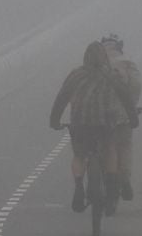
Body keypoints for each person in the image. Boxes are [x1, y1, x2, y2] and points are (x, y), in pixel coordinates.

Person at [49, 41, 137, 214]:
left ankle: (79, 187)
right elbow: (126, 97)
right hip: (106, 124)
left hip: (80, 123)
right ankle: (112, 190)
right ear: (104, 58)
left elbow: (62, 98)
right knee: (110, 149)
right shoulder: (112, 75)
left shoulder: (76, 75)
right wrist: (133, 119)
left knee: (79, 155)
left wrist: (54, 121)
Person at [100, 32, 142, 201]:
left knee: (103, 146)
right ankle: (124, 179)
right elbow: (137, 84)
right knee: (124, 145)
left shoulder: (94, 63)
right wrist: (132, 104)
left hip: (98, 115)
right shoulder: (126, 61)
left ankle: (103, 178)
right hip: (122, 113)